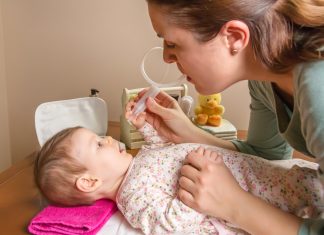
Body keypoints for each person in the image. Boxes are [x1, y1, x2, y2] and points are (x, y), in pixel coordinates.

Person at [136, 0, 324, 234]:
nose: (166, 57)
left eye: (172, 43)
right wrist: (187, 134)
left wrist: (233, 205)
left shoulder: (318, 85)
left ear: (233, 37)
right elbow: (265, 156)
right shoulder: (265, 81)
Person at [34, 107, 323, 235]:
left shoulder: (138, 162)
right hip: (246, 190)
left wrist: (147, 127)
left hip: (252, 172)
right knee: (297, 196)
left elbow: (164, 151)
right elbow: (169, 225)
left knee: (298, 179)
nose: (107, 139)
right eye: (98, 144)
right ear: (89, 181)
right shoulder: (134, 197)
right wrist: (199, 190)